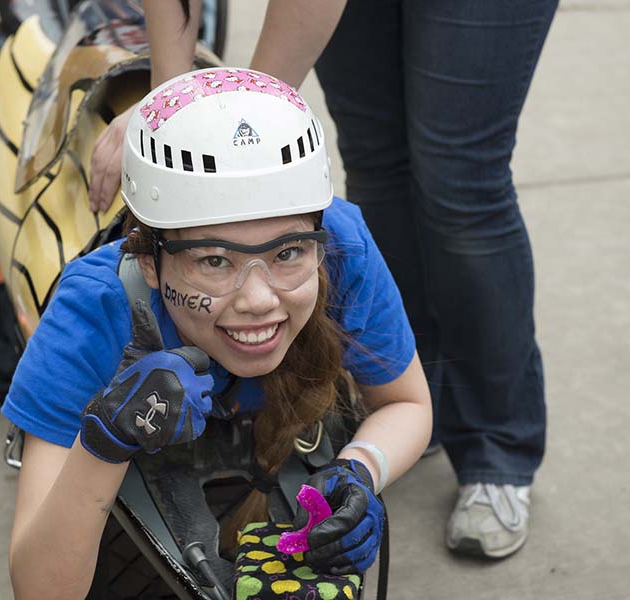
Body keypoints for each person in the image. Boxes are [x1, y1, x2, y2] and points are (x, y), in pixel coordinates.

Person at [90, 0, 556, 560]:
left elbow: (252, 130)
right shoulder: (90, 294)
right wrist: (167, 116)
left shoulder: (341, 240)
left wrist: (238, 130)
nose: (257, 297)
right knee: (378, 162)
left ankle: (497, 448)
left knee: (460, 179)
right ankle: (411, 387)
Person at [3, 68, 432, 598]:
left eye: (288, 253)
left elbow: (407, 405)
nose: (258, 301)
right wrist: (106, 442)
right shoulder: (95, 309)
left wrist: (361, 468)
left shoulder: (344, 246)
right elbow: (39, 589)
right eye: (213, 261)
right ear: (150, 261)